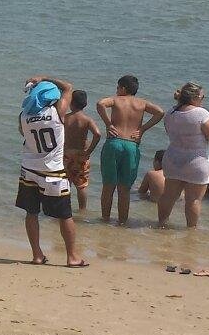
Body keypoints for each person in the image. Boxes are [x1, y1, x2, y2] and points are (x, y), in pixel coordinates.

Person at [16, 75, 88, 267]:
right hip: (53, 171)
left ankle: (37, 255)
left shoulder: (24, 116)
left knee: (31, 213)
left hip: (29, 169)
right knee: (65, 215)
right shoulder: (57, 112)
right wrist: (44, 77)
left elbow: (23, 132)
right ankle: (72, 257)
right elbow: (69, 86)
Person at [96, 75, 164, 225]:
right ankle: (122, 223)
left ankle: (105, 219)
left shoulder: (116, 99)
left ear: (123, 88)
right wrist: (143, 129)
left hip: (114, 142)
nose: (116, 90)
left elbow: (100, 103)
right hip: (131, 145)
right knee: (125, 189)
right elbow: (160, 112)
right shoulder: (142, 103)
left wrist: (108, 124)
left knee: (108, 186)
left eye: (117, 87)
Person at [158, 83, 209, 227]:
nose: (203, 100)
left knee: (168, 196)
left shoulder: (170, 112)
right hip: (196, 161)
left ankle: (161, 224)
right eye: (202, 97)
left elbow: (169, 132)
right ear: (195, 97)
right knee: (193, 200)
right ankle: (191, 231)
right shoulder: (201, 113)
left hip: (173, 158)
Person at [62, 89, 102, 211]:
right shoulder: (87, 120)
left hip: (67, 154)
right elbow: (98, 134)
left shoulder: (65, 118)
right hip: (81, 155)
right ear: (85, 103)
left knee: (65, 183)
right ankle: (82, 210)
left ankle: (64, 209)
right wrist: (89, 151)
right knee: (81, 186)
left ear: (71, 103)